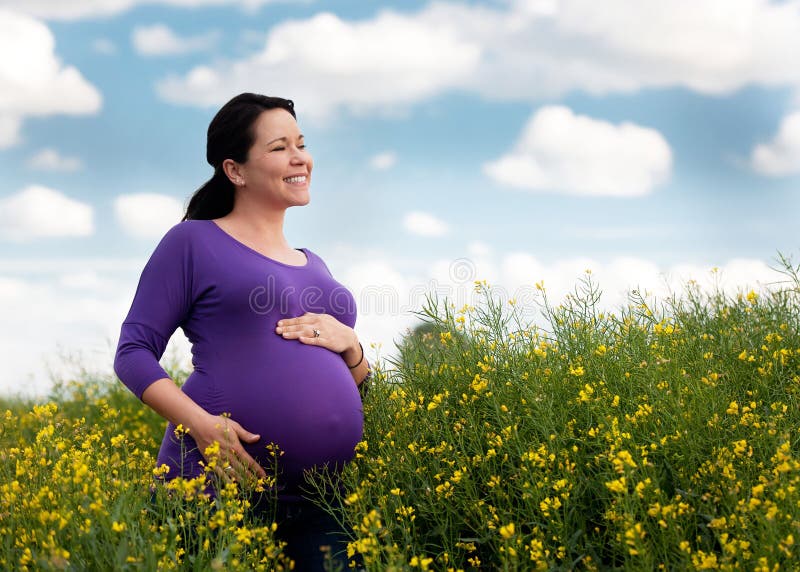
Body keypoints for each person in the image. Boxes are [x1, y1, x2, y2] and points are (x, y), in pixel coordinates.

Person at [113, 93, 371, 570]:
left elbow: (347, 384)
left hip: (319, 501)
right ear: (235, 170)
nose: (299, 158)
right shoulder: (192, 242)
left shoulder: (316, 265)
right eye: (279, 147)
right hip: (214, 489)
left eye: (301, 143)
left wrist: (353, 348)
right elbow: (132, 353)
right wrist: (203, 427)